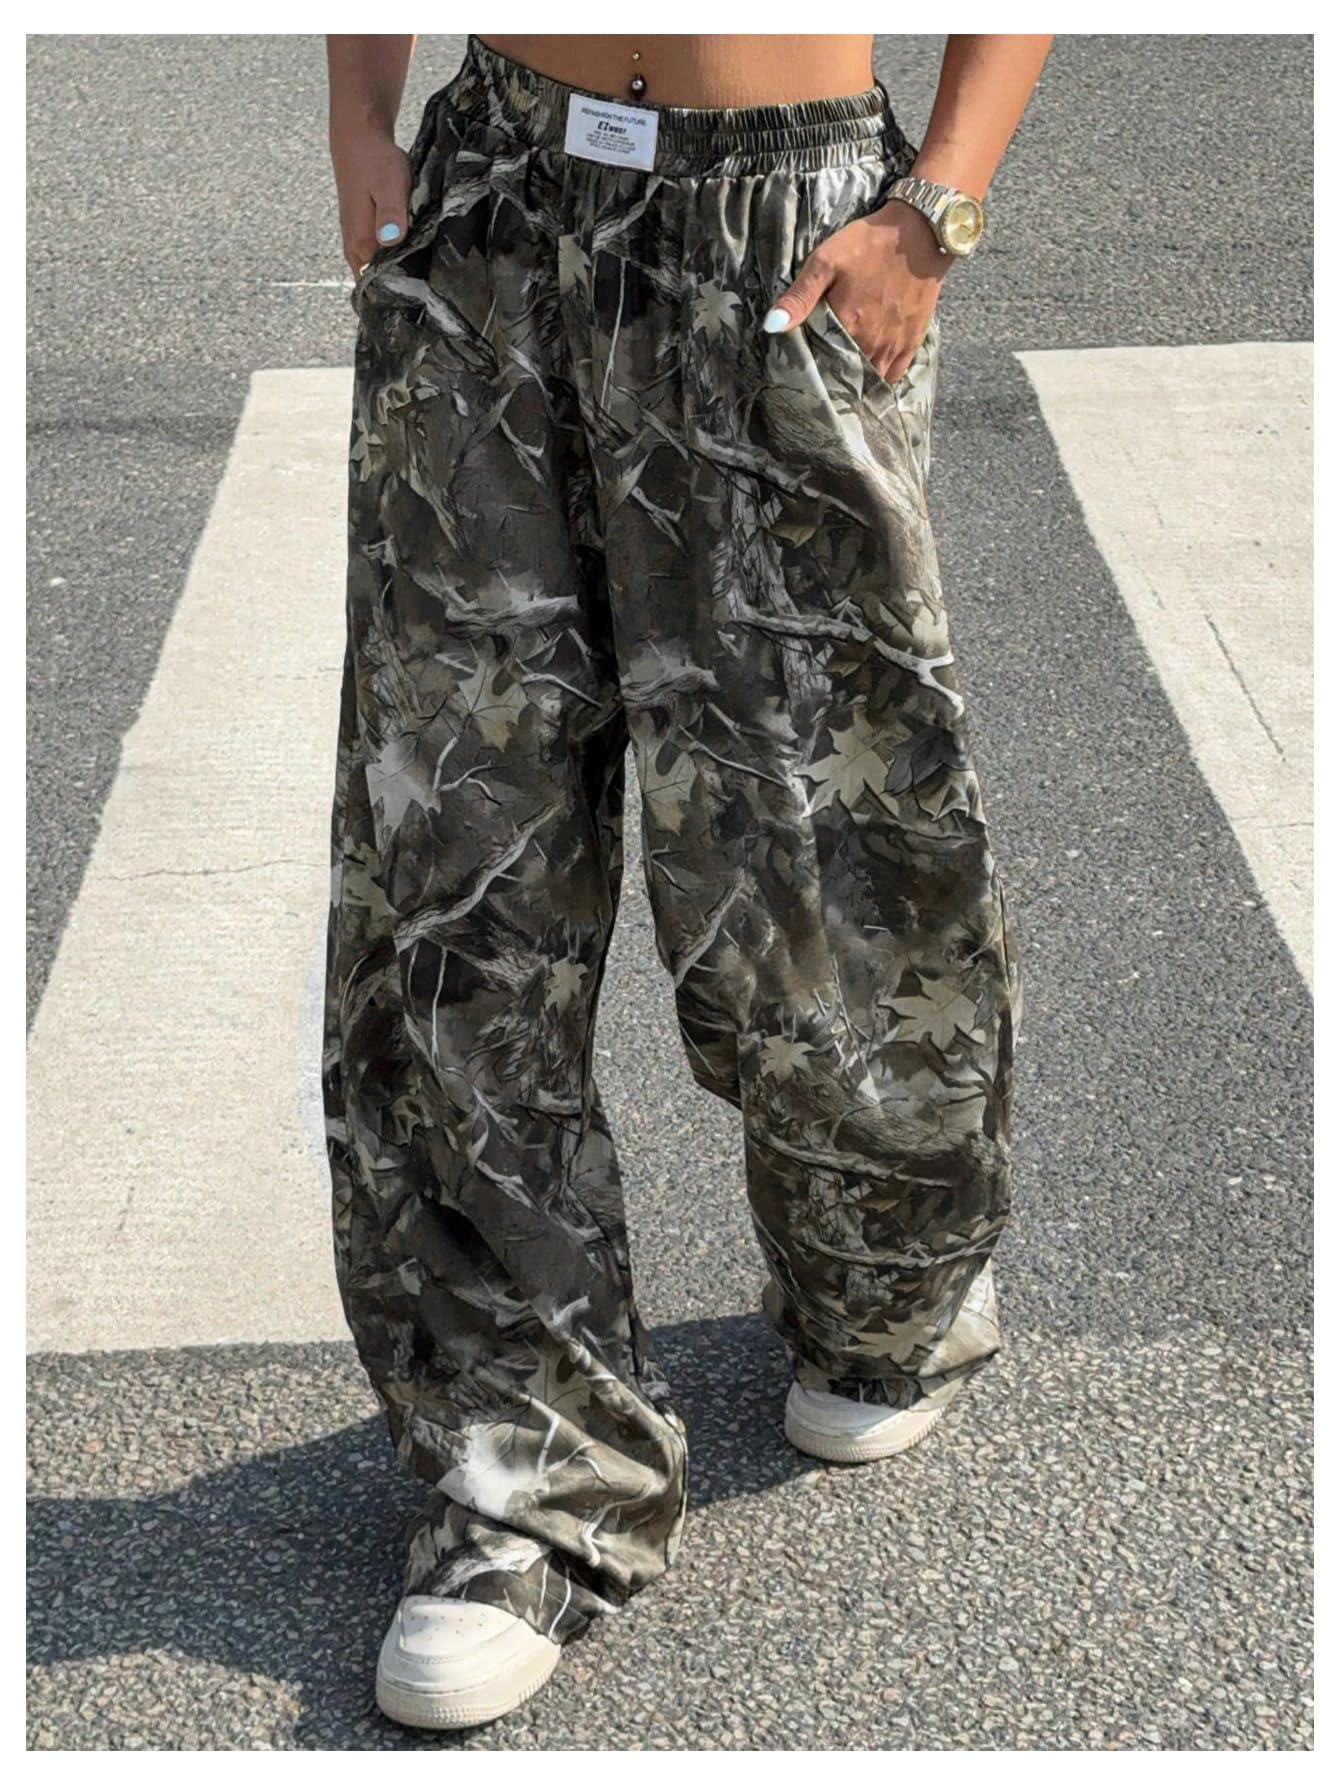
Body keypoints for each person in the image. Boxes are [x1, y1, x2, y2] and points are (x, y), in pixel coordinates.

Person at [323, 30, 1050, 1731]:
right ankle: (523, 1467)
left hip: (787, 229)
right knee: (461, 852)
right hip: (497, 199)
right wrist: (359, 114)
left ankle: (886, 1277)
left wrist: (939, 205)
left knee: (819, 843)